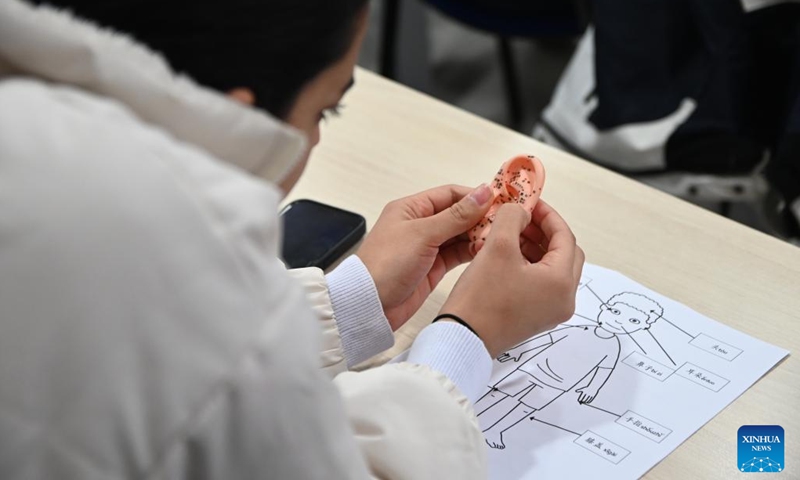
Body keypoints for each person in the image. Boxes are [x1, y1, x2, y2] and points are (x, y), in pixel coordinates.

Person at [0, 0, 584, 478]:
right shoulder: (164, 237)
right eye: (323, 112)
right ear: (237, 111)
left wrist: (351, 300)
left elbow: (184, 370)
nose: (316, 144)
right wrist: (468, 337)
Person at [475, 292, 663, 450]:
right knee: (499, 394)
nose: (619, 321)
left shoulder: (613, 347)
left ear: (643, 326)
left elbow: (604, 369)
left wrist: (593, 388)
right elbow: (546, 339)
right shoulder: (579, 329)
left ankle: (495, 430)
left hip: (559, 385)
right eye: (615, 311)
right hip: (533, 370)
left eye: (633, 320)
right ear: (604, 308)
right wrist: (516, 352)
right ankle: (470, 417)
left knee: (526, 409)